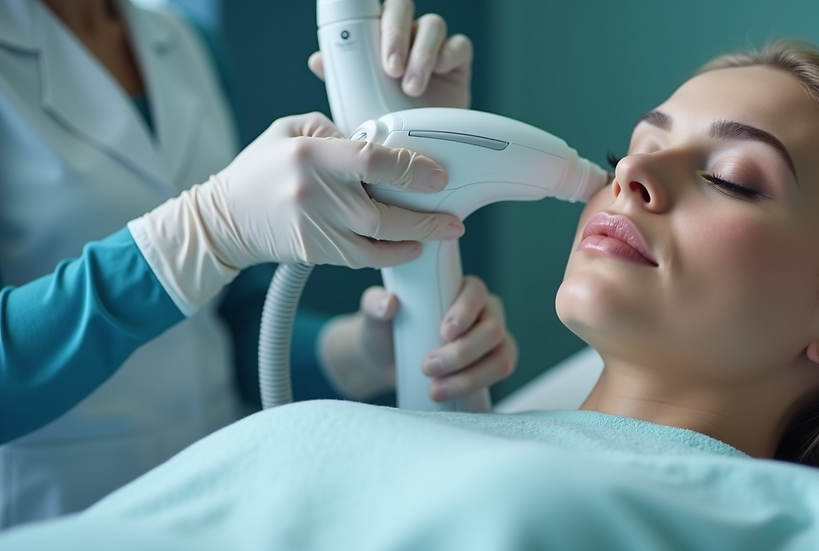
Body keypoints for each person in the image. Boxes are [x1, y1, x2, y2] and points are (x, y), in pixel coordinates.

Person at [0, 39, 819, 550]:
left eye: (730, 177)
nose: (630, 176)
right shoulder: (427, 431)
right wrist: (206, 234)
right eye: (637, 145)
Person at [0, 0, 516, 528]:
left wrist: (359, 353)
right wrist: (206, 228)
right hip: (56, 514)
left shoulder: (186, 42)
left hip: (220, 499)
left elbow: (225, 318)